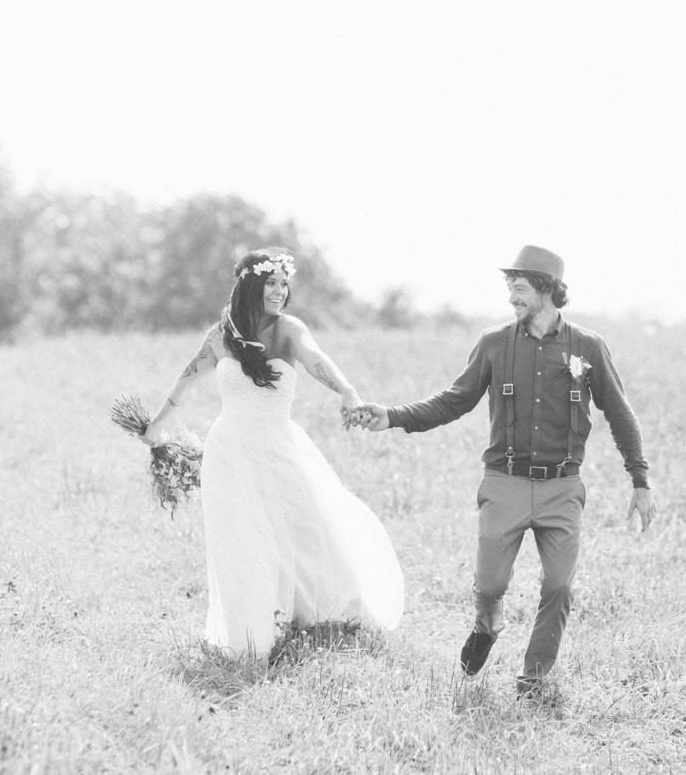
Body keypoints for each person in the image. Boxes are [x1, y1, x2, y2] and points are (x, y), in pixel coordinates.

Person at [358, 244, 655, 698]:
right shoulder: (494, 343)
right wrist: (393, 415)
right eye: (509, 288)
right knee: (492, 583)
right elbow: (454, 400)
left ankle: (534, 676)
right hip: (505, 482)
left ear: (548, 289)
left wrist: (640, 480)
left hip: (562, 486)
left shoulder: (588, 347)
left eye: (520, 288)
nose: (512, 297)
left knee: (558, 586)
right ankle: (487, 623)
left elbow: (620, 413)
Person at [142, 247, 403, 659]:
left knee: (304, 526)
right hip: (229, 450)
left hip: (279, 445)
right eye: (271, 283)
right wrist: (156, 426)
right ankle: (252, 629)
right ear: (251, 285)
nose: (280, 291)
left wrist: (348, 392)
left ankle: (313, 617)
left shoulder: (288, 330)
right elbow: (185, 380)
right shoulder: (221, 335)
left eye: (285, 284)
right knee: (242, 537)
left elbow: (318, 360)